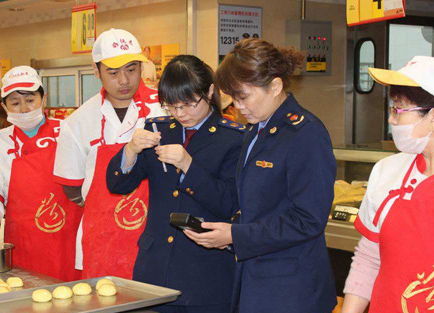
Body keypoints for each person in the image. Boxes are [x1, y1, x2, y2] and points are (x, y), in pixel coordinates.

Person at [184, 39, 337, 313]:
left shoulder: (305, 134)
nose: (238, 106)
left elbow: (308, 220)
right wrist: (222, 232)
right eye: (233, 97)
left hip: (292, 288)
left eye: (244, 96)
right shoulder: (256, 130)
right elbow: (255, 203)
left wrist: (236, 236)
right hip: (255, 279)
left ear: (275, 86)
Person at [106, 55, 243, 312]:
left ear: (210, 91)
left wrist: (189, 166)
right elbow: (117, 186)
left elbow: (229, 204)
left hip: (205, 274)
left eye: (189, 104)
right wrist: (131, 150)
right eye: (172, 106)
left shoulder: (233, 138)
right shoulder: (159, 129)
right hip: (155, 269)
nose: (181, 114)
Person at [54, 28, 166, 279]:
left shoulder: (165, 109)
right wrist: (105, 209)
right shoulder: (80, 121)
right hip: (101, 237)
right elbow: (72, 187)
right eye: (113, 73)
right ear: (96, 71)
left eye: (131, 69)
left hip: (154, 233)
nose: (124, 80)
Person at [341, 56, 434, 313]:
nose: (391, 120)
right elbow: (368, 257)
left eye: (398, 109)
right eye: (391, 109)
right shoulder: (387, 171)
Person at [0, 66, 82, 281]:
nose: (24, 109)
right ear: (4, 106)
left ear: (43, 99)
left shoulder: (69, 132)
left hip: (70, 241)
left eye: (30, 100)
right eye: (15, 103)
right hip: (23, 244)